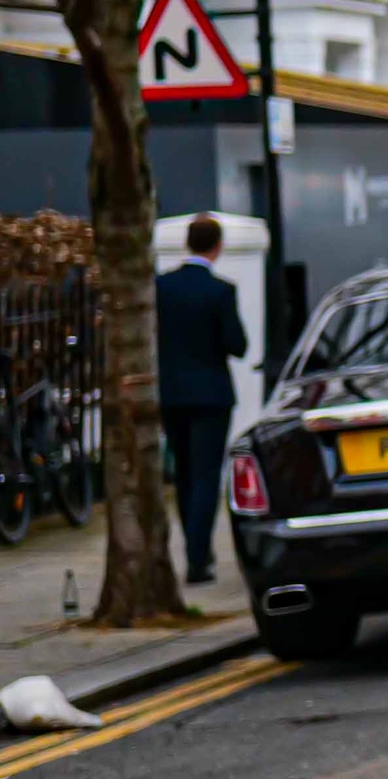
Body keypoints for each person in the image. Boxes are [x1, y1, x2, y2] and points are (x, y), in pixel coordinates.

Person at [157, 214, 248, 583]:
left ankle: (194, 549)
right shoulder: (220, 291)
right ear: (218, 246)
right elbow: (237, 345)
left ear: (187, 243)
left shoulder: (161, 287)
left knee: (184, 475)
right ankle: (198, 557)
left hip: (172, 394)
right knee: (207, 475)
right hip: (211, 395)